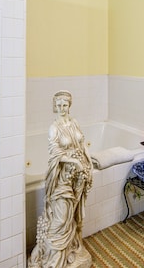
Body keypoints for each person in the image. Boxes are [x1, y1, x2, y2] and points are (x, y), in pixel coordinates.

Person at [28, 91, 93, 268]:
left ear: (69, 105)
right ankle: (54, 258)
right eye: (58, 105)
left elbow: (82, 144)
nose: (61, 109)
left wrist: (88, 163)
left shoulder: (74, 123)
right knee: (61, 216)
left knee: (74, 215)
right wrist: (74, 161)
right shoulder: (54, 127)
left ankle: (72, 249)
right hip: (61, 178)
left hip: (78, 177)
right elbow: (55, 154)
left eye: (65, 105)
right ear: (54, 107)